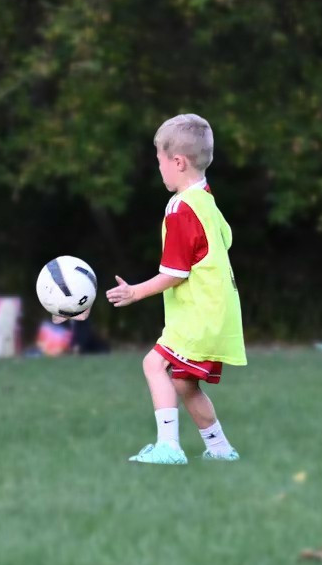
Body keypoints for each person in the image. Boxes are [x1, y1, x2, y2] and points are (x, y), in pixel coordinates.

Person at [105, 114, 246, 465]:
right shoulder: (206, 200)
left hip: (200, 314)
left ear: (178, 162)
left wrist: (135, 292)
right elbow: (222, 243)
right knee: (184, 383)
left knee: (153, 364)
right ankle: (220, 449)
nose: (159, 169)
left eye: (160, 161)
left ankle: (169, 447)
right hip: (218, 311)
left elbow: (174, 273)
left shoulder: (181, 209)